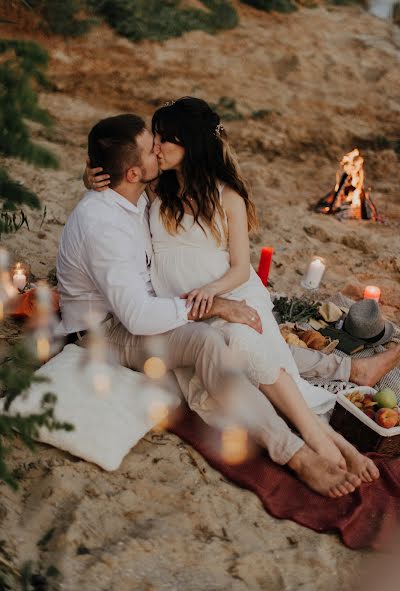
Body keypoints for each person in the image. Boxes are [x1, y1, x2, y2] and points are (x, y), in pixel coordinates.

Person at [57, 112, 365, 498]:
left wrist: (91, 178)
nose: (157, 148)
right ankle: (295, 454)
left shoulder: (131, 194)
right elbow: (136, 317)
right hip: (107, 332)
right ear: (134, 174)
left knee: (241, 337)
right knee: (209, 340)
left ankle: (345, 376)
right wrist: (217, 305)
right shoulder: (104, 225)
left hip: (141, 307)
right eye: (151, 147)